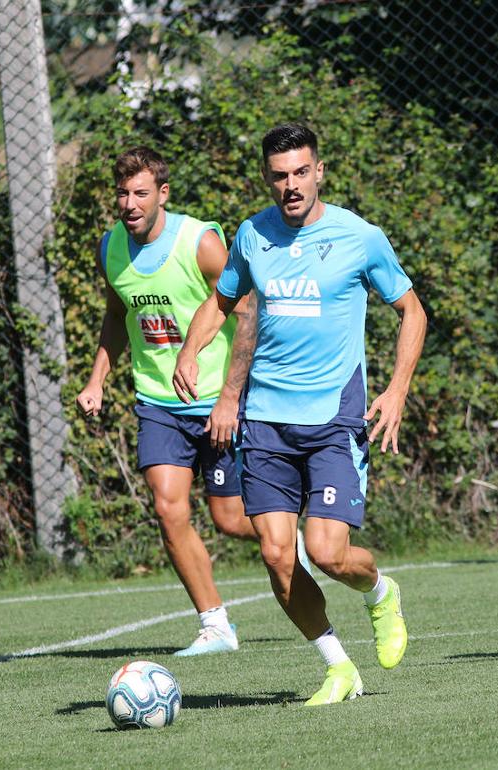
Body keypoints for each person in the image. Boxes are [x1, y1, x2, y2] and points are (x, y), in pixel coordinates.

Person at [174, 123, 428, 703]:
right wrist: (192, 347)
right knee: (275, 555)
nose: (289, 185)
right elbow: (223, 301)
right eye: (278, 175)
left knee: (328, 553)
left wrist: (396, 390)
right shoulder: (251, 234)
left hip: (334, 420)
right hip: (264, 422)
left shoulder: (360, 237)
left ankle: (380, 592)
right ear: (268, 178)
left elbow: (412, 311)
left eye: (299, 173)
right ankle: (338, 667)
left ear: (319, 172)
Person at [76, 146, 259, 657]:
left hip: (216, 402)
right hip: (158, 402)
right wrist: (97, 381)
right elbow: (118, 314)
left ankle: (291, 542)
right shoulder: (110, 247)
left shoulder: (199, 243)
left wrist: (228, 397)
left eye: (140, 193)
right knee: (167, 508)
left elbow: (247, 311)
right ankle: (215, 625)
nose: (129, 203)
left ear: (162, 194)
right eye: (121, 193)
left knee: (229, 519)